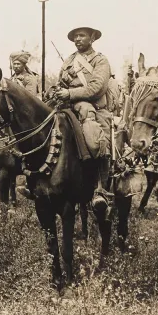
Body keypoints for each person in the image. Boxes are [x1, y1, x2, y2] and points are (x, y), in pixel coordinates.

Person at [52, 25, 113, 212]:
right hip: (67, 107)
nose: (78, 39)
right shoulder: (69, 61)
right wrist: (56, 92)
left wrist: (69, 93)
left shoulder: (101, 61)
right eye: (75, 36)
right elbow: (59, 83)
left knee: (95, 139)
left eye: (82, 35)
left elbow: (97, 88)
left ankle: (99, 189)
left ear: (92, 37)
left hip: (93, 108)